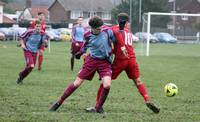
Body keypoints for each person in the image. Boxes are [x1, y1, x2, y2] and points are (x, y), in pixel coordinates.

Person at [86, 13, 160, 114]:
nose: (129, 25)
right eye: (128, 23)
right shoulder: (128, 32)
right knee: (137, 81)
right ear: (126, 22)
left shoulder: (114, 29)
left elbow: (111, 40)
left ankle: (97, 106)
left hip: (120, 60)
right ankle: (147, 99)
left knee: (104, 82)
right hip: (132, 59)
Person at [49, 16, 115, 113]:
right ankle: (58, 102)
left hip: (105, 62)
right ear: (92, 28)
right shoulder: (87, 35)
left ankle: (99, 107)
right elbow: (84, 48)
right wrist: (79, 54)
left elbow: (115, 40)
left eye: (101, 27)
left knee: (107, 85)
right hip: (92, 61)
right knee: (77, 83)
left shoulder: (107, 31)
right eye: (98, 28)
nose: (101, 29)